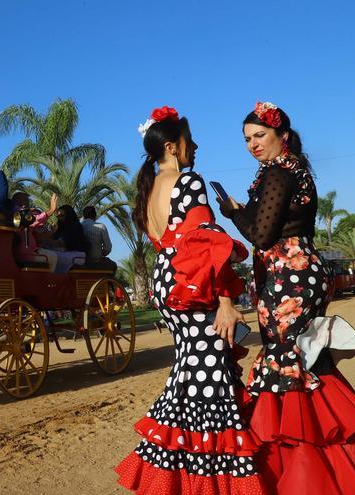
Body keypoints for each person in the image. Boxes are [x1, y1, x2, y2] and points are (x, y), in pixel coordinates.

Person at [219, 102, 355, 494]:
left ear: (281, 135)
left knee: (291, 366)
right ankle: (338, 464)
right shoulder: (290, 168)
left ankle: (308, 475)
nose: (252, 144)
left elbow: (263, 235)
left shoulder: (279, 171)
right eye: (247, 139)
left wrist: (234, 214)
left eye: (260, 136)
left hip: (290, 277)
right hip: (297, 273)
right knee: (309, 361)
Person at [115, 107, 266, 494]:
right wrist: (227, 300)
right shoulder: (188, 181)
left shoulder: (149, 188)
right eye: (189, 140)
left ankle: (172, 474)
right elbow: (205, 242)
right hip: (193, 285)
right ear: (172, 146)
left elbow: (172, 244)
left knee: (192, 371)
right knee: (209, 378)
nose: (195, 146)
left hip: (169, 285)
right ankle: (211, 481)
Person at [80, 205, 117, 272]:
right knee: (113, 265)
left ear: (84, 216)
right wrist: (101, 254)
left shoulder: (78, 226)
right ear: (95, 216)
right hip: (96, 262)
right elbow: (108, 248)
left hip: (80, 262)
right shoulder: (101, 227)